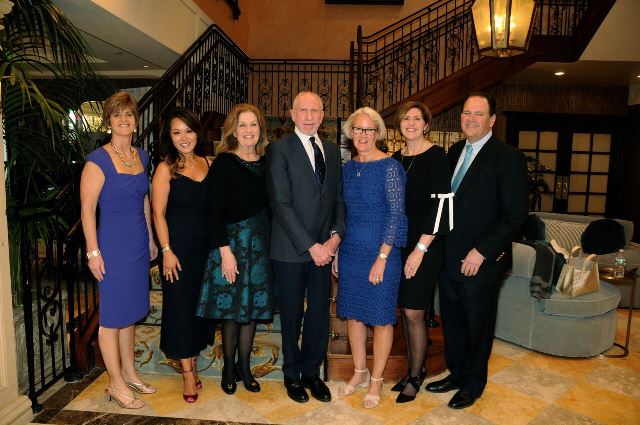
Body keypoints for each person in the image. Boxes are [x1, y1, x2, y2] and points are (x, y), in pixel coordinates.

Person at [425, 92, 528, 409]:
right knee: (453, 321)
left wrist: (481, 252)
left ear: (492, 120)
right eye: (466, 113)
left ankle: (474, 384)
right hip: (449, 256)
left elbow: (515, 215)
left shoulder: (508, 157)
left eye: (479, 114)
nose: (470, 118)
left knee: (478, 324)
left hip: (480, 260)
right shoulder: (454, 151)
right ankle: (456, 374)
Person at [266, 91, 345, 403]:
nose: (309, 116)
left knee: (318, 316)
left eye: (315, 110)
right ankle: (292, 374)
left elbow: (338, 198)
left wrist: (336, 237)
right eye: (303, 110)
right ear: (292, 113)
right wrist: (311, 245)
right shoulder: (279, 150)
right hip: (291, 249)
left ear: (323, 114)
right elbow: (281, 204)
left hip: (325, 249)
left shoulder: (332, 150)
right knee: (291, 314)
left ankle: (312, 371)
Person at [80, 92, 157, 409]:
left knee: (130, 314)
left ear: (136, 120)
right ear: (109, 121)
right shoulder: (97, 160)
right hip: (111, 245)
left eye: (129, 114)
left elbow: (144, 200)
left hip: (138, 242)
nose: (124, 120)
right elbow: (86, 210)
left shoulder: (142, 155)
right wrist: (93, 252)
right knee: (112, 317)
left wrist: (151, 238)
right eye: (117, 115)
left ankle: (129, 373)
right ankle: (115, 384)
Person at [197, 103, 273, 395]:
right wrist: (224, 252)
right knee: (232, 311)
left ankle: (244, 366)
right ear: (233, 130)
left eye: (253, 124)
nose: (249, 130)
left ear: (260, 130)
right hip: (232, 246)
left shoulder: (266, 162)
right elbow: (213, 211)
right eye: (243, 125)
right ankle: (229, 367)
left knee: (251, 309)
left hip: (260, 246)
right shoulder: (224, 163)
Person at [335, 107, 407, 409]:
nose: (363, 135)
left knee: (380, 319)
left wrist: (382, 256)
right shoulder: (348, 168)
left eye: (369, 130)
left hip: (382, 254)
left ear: (377, 133)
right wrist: (337, 250)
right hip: (351, 252)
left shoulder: (390, 168)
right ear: (351, 133)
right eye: (358, 129)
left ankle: (376, 380)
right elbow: (341, 213)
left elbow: (396, 214)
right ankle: (360, 372)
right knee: (353, 315)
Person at [151, 108, 215, 403]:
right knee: (180, 309)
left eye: (188, 131)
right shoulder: (165, 169)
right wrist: (166, 251)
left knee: (201, 310)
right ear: (170, 137)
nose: (184, 138)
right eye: (176, 132)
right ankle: (188, 373)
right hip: (177, 250)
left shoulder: (209, 163)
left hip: (207, 250)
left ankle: (193, 361)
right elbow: (158, 213)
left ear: (196, 133)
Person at [390, 101, 452, 403]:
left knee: (415, 311)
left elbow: (444, 207)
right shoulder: (396, 158)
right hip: (400, 242)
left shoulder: (437, 156)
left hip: (426, 243)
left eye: (417, 118)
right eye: (406, 118)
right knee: (404, 308)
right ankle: (411, 368)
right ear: (400, 124)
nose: (411, 123)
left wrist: (420, 250)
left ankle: (417, 374)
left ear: (426, 124)